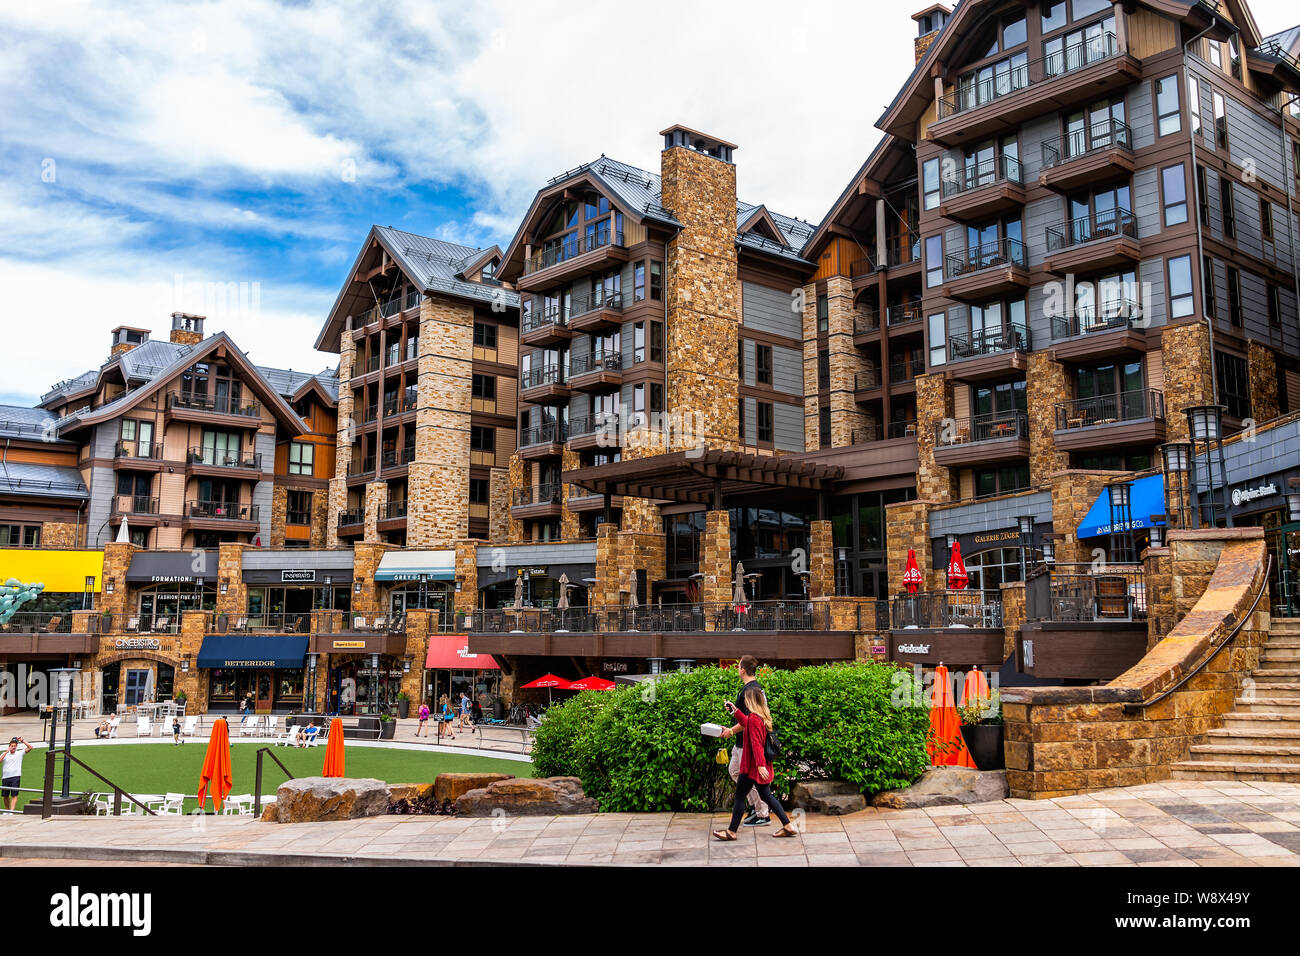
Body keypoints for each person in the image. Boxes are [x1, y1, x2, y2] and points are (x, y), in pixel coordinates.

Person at [713, 686, 796, 841]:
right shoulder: (758, 717)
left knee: (739, 797)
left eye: (746, 699)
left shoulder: (754, 719)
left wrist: (760, 765)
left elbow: (756, 744)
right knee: (767, 796)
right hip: (755, 767)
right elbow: (746, 723)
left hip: (751, 768)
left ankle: (731, 832)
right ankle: (788, 826)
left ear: (750, 701)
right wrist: (735, 711)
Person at [724, 656, 770, 827]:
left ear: (742, 669)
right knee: (734, 771)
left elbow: (751, 721)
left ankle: (762, 814)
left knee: (750, 778)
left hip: (748, 743)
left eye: (738, 667)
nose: (737, 669)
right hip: (742, 742)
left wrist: (730, 731)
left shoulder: (750, 690)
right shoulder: (753, 688)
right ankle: (756, 807)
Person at [2, 736, 32, 812]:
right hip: (5, 777)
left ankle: (11, 811)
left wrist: (22, 740)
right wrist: (6, 752)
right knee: (5, 795)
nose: (13, 747)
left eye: (15, 746)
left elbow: (30, 747)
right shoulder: (5, 754)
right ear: (9, 746)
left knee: (14, 795)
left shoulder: (19, 753)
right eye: (12, 746)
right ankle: (7, 810)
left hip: (15, 776)